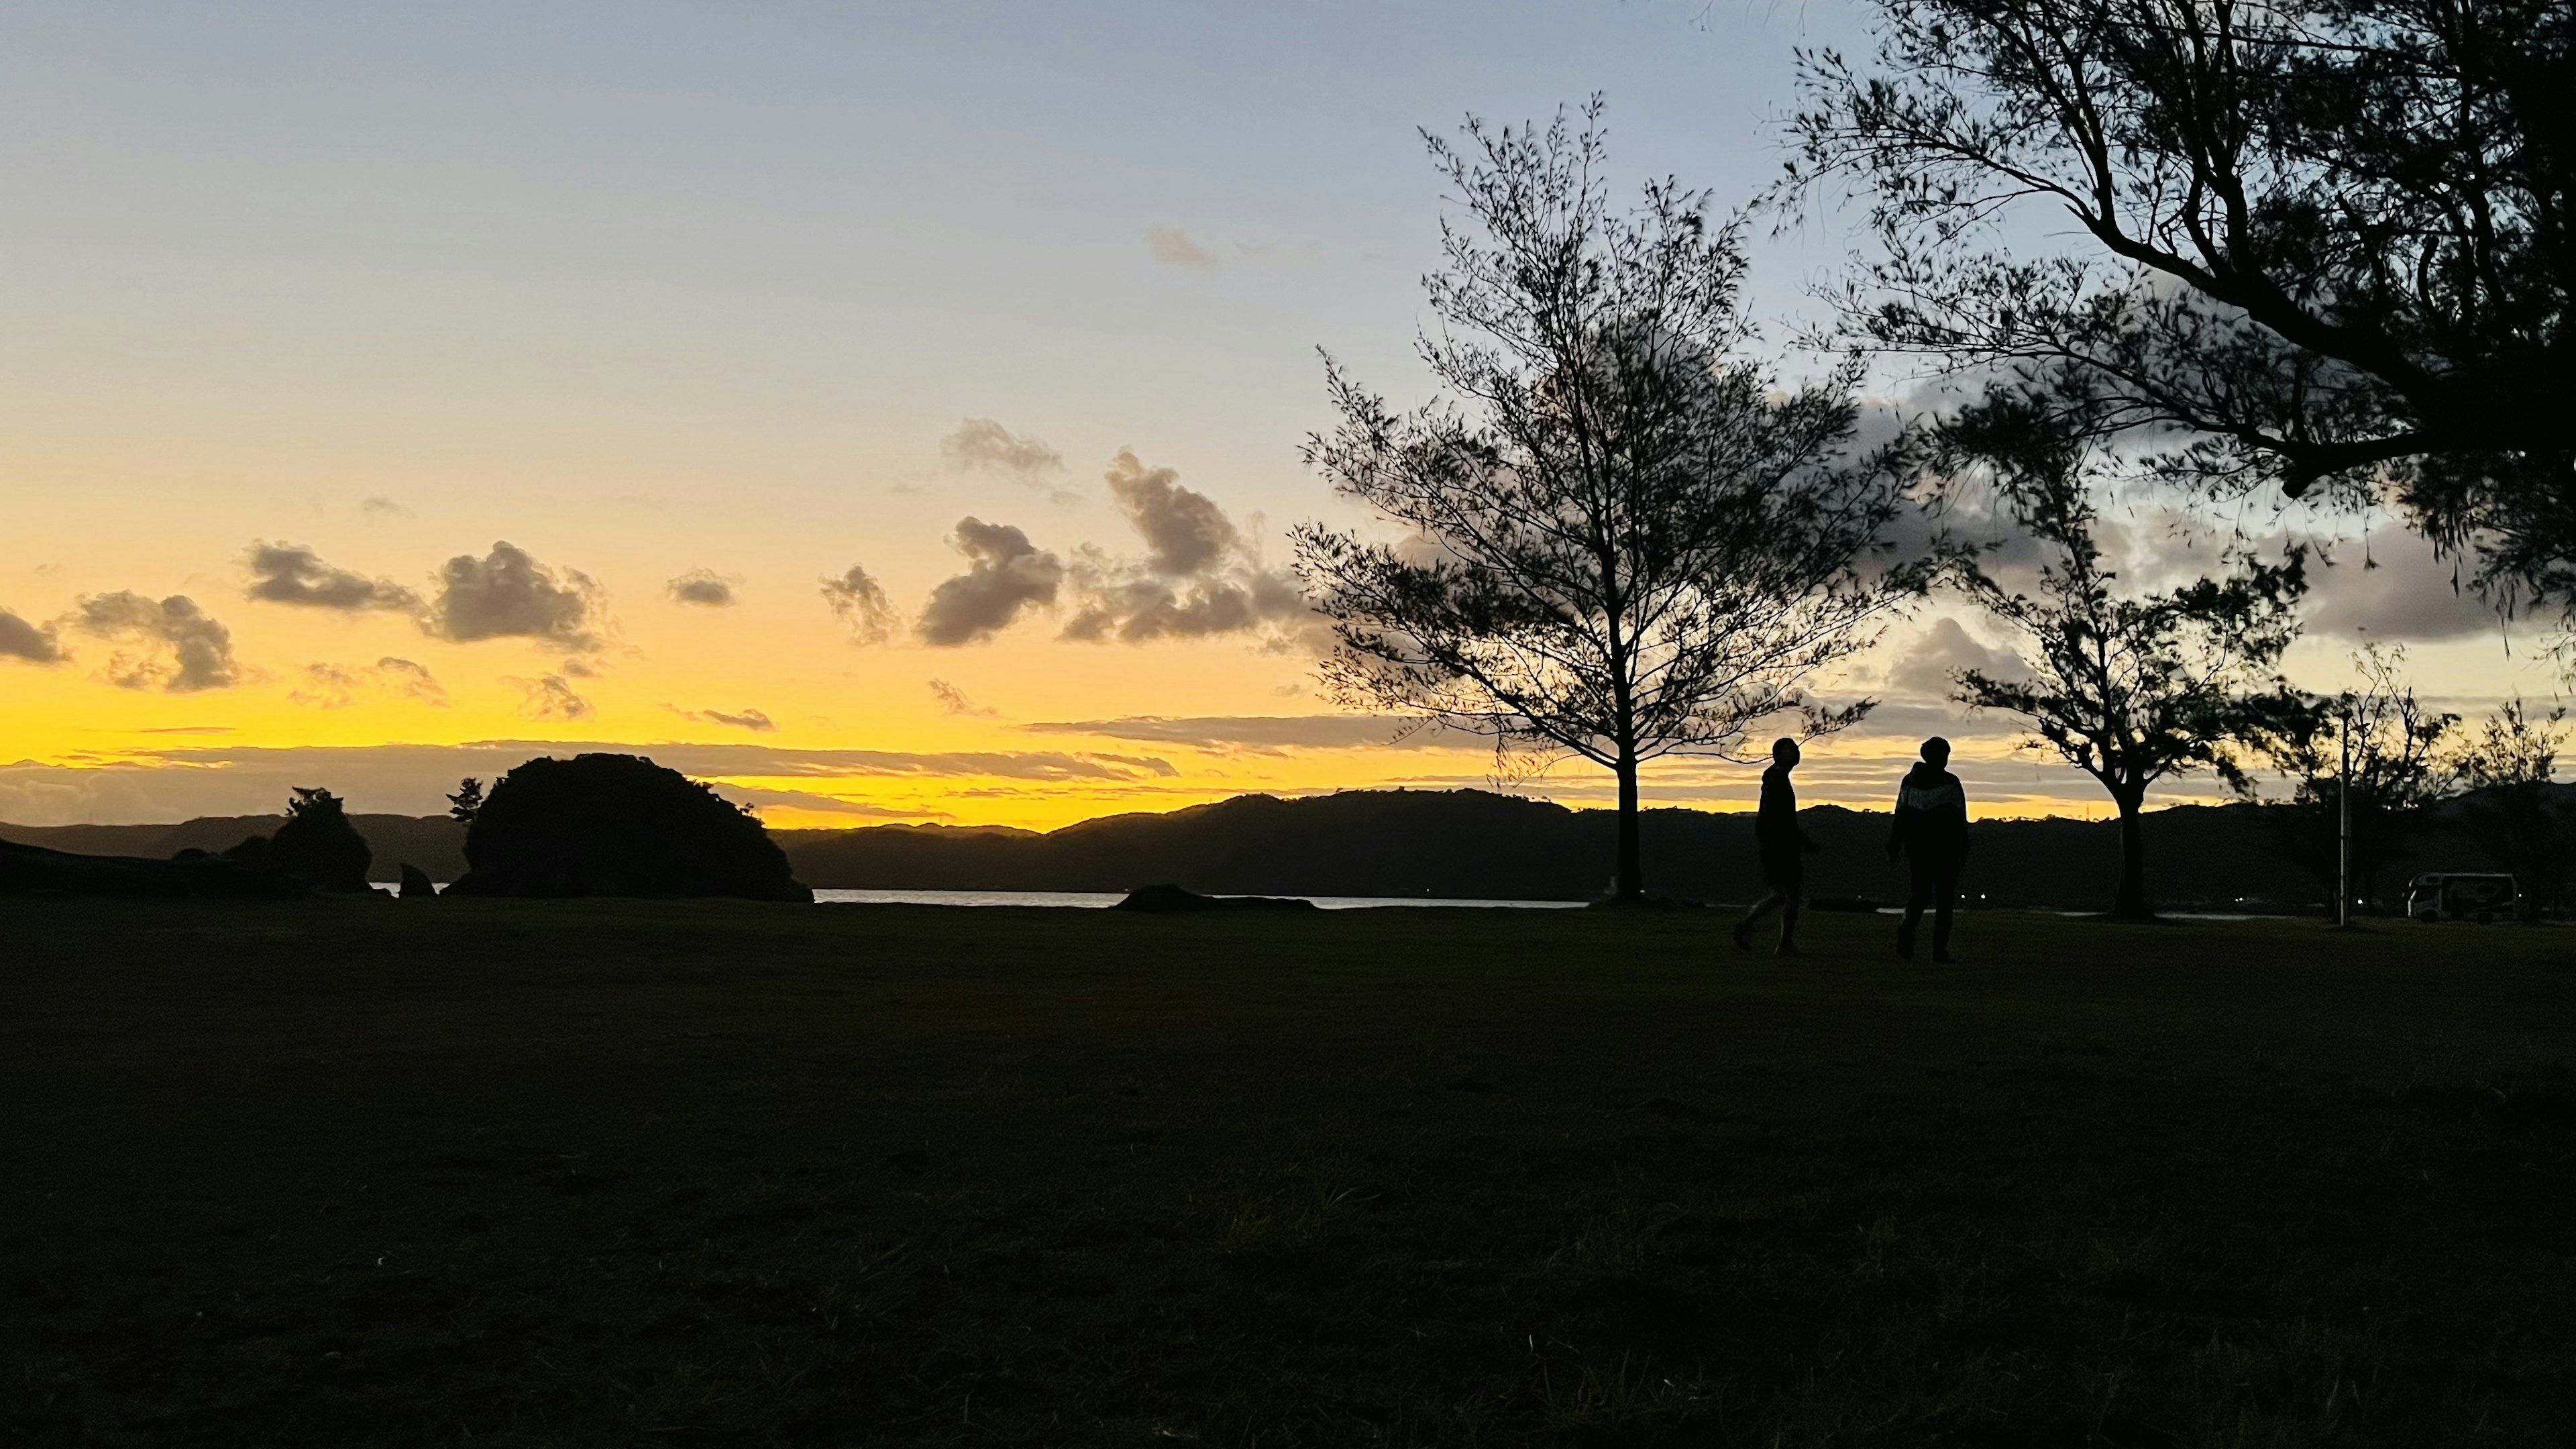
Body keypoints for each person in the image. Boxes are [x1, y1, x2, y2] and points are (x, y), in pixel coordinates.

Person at [1887, 737, 1970, 963]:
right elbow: (1960, 820)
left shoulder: (1910, 781)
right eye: (1943, 755)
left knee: (1920, 897)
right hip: (1942, 850)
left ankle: (1907, 938)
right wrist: (1964, 848)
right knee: (1942, 901)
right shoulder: (1950, 783)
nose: (1945, 759)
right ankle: (1937, 951)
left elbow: (1900, 815)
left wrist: (1895, 844)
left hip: (1918, 849)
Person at [1735, 737, 1819, 955]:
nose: (1796, 753)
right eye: (1791, 750)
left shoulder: (1776, 778)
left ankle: (1750, 926)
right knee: (1790, 894)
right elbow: (1782, 818)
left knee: (1784, 894)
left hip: (1777, 844)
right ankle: (1782, 943)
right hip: (1780, 846)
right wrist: (1802, 841)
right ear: (1779, 754)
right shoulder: (1777, 779)